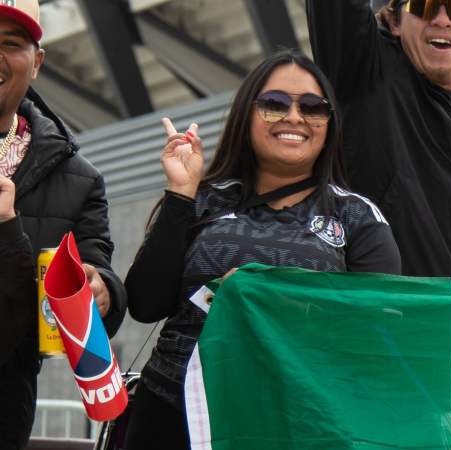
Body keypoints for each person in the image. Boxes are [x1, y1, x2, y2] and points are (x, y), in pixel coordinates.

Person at [123, 51, 401, 450]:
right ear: (246, 116)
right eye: (274, 105)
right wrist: (181, 194)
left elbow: (380, 330)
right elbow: (146, 304)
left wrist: (275, 297)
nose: (294, 117)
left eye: (312, 107)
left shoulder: (356, 216)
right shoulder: (204, 199)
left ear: (329, 123)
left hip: (298, 421)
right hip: (174, 412)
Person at [305, 0, 451, 277]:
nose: (442, 20)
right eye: (424, 6)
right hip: (386, 314)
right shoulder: (366, 72)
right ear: (395, 23)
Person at [0, 1, 126, 447]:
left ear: (36, 63)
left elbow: (96, 274)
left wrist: (100, 291)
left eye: (10, 45)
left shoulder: (80, 179)